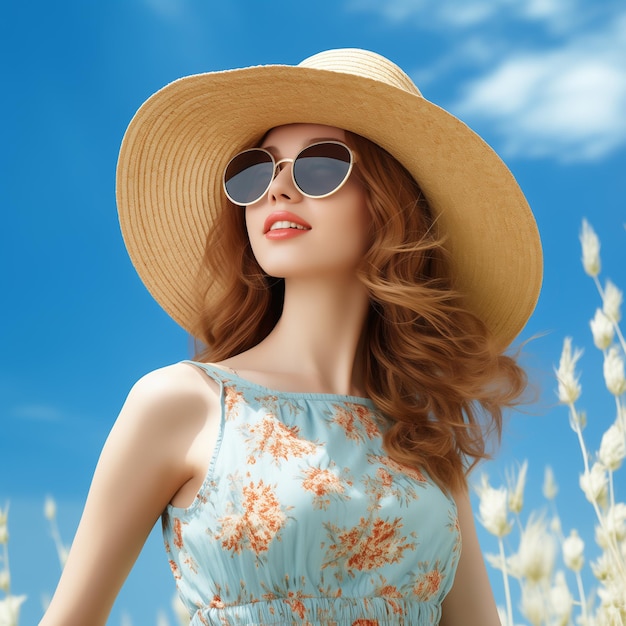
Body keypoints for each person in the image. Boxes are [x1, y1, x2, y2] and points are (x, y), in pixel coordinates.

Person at [40, 48, 542, 626]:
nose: (277, 188)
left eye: (321, 166)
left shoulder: (423, 444)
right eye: (257, 170)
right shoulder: (183, 404)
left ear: (389, 205)